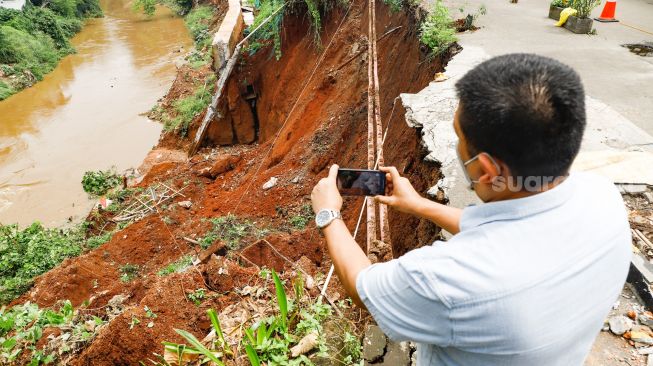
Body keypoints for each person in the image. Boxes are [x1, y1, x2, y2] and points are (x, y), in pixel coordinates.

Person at [310, 53, 631, 365]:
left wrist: (329, 215)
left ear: (487, 170)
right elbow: (510, 234)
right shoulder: (604, 198)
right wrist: (420, 206)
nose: (457, 147)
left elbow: (362, 286)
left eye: (459, 138)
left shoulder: (449, 279)